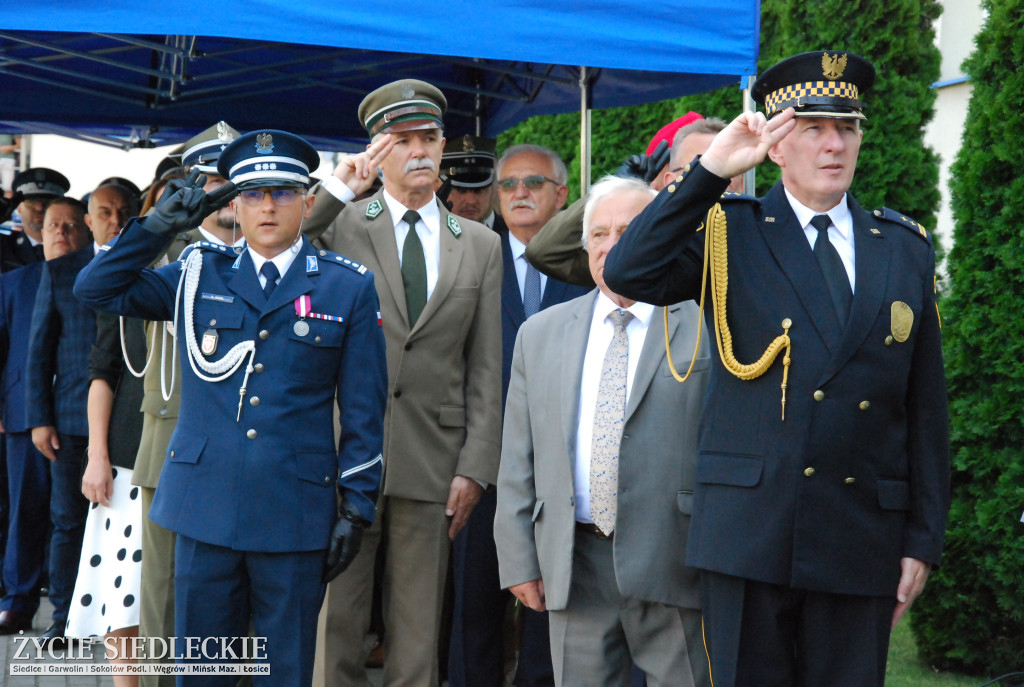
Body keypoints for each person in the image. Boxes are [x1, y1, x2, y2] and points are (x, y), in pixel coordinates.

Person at [603, 50, 950, 687]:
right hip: (750, 534)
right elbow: (628, 270)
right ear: (776, 144)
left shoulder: (901, 246)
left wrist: (921, 540)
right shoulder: (731, 233)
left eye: (846, 129)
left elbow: (925, 406)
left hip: (859, 532)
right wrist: (711, 170)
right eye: (812, 128)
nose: (833, 144)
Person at [74, 129, 387, 685]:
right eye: (254, 194)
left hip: (295, 513)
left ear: (309, 201)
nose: (268, 206)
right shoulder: (198, 273)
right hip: (204, 508)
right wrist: (156, 226)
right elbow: (96, 288)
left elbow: (364, 409)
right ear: (234, 204)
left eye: (284, 192)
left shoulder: (347, 288)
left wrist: (357, 507)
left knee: (283, 671)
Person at [307, 78, 502, 687]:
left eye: (429, 138)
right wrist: (341, 186)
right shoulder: (342, 225)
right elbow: (288, 239)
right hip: (347, 451)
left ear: (443, 148)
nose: (418, 151)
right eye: (402, 140)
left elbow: (485, 367)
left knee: (418, 631)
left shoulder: (479, 245)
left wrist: (474, 466)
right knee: (336, 618)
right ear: (376, 150)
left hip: (434, 456)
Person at [495, 175, 711, 686]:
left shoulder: (703, 325)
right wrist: (519, 559)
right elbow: (517, 457)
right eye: (599, 233)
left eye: (631, 231)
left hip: (674, 559)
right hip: (576, 563)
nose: (612, 246)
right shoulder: (541, 333)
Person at [448, 142, 589, 687]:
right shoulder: (471, 256)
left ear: (561, 194)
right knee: (473, 609)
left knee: (548, 611)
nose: (519, 193)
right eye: (507, 185)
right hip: (484, 464)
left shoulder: (590, 261)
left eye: (533, 183)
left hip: (562, 469)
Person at [128, 122, 241, 687]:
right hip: (171, 445)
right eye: (213, 179)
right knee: (165, 607)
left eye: (235, 178)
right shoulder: (163, 249)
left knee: (240, 614)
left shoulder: (282, 250)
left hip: (250, 455)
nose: (225, 192)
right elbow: (110, 283)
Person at [0, 197, 89, 634]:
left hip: (79, 420)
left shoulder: (97, 281)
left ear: (86, 231)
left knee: (69, 517)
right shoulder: (16, 282)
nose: (62, 233)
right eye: (54, 225)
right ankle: (16, 601)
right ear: (39, 230)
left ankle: (70, 603)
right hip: (23, 415)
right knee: (25, 510)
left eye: (72, 226)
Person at [25, 189, 109, 647]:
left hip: (129, 424)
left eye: (121, 211)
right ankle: (64, 620)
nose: (113, 219)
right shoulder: (59, 274)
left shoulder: (147, 267)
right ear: (90, 221)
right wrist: (40, 418)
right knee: (67, 522)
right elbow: (38, 352)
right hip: (71, 421)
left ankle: (117, 619)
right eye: (103, 212)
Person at [525, 116, 742, 288]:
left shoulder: (756, 231)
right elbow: (545, 252)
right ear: (668, 182)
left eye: (730, 166)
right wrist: (612, 190)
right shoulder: (641, 244)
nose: (717, 177)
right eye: (700, 168)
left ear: (742, 181)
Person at [66, 308, 147, 687]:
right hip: (125, 461)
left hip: (195, 458)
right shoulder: (123, 280)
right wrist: (97, 456)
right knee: (122, 592)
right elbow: (102, 371)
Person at [1, 167, 70, 273]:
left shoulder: (76, 245)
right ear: (19, 209)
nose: (40, 208)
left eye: (47, 202)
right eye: (32, 201)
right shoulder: (4, 246)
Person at [439, 135, 499, 228]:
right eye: (461, 190)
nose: (471, 201)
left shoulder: (517, 236)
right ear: (436, 184)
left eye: (478, 190)